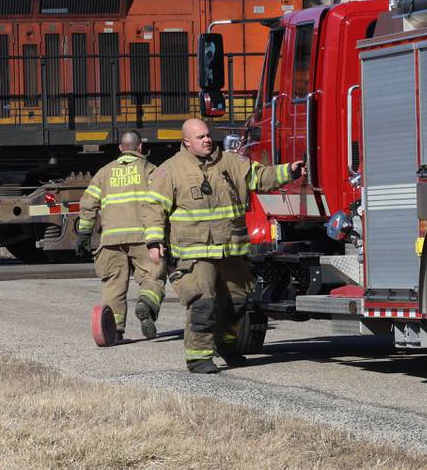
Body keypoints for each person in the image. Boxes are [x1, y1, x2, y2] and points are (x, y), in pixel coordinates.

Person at [143, 118, 304, 373]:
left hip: (231, 248)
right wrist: (154, 241)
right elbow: (153, 208)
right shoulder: (169, 171)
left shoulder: (232, 162)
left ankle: (227, 347)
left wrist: (290, 171)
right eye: (200, 137)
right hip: (195, 252)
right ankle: (198, 358)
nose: (207, 140)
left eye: (208, 135)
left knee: (236, 303)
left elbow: (262, 177)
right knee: (203, 303)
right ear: (186, 142)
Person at [77, 130, 166, 341]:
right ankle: (147, 303)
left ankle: (114, 330)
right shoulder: (151, 170)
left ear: (120, 148)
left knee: (113, 284)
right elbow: (164, 198)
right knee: (153, 275)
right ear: (140, 148)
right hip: (143, 237)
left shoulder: (104, 172)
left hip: (111, 240)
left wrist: (84, 232)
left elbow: (87, 203)